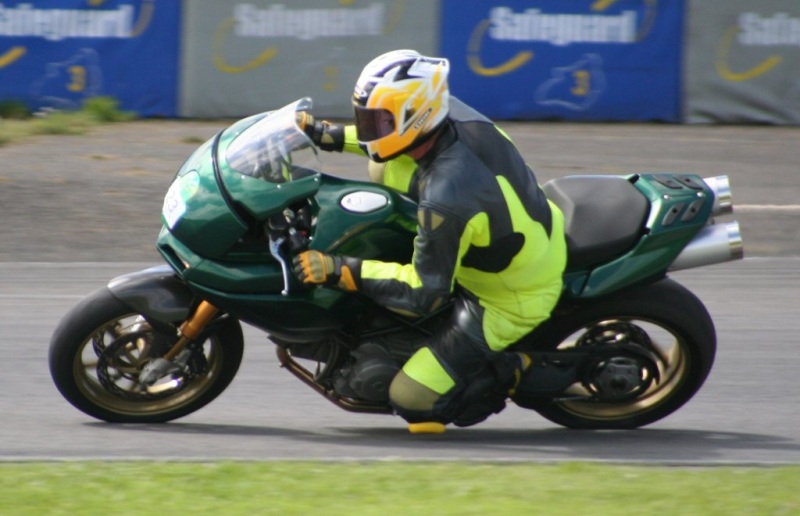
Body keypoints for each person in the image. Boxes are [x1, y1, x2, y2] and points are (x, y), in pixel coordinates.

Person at [292, 50, 567, 432]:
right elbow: (383, 142)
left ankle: (514, 370)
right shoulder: (444, 114)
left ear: (414, 113)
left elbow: (426, 293)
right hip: (512, 231)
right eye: (366, 119)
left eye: (378, 119)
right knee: (383, 163)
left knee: (413, 399)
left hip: (506, 296)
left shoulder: (448, 194)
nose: (370, 127)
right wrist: (328, 134)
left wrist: (341, 269)